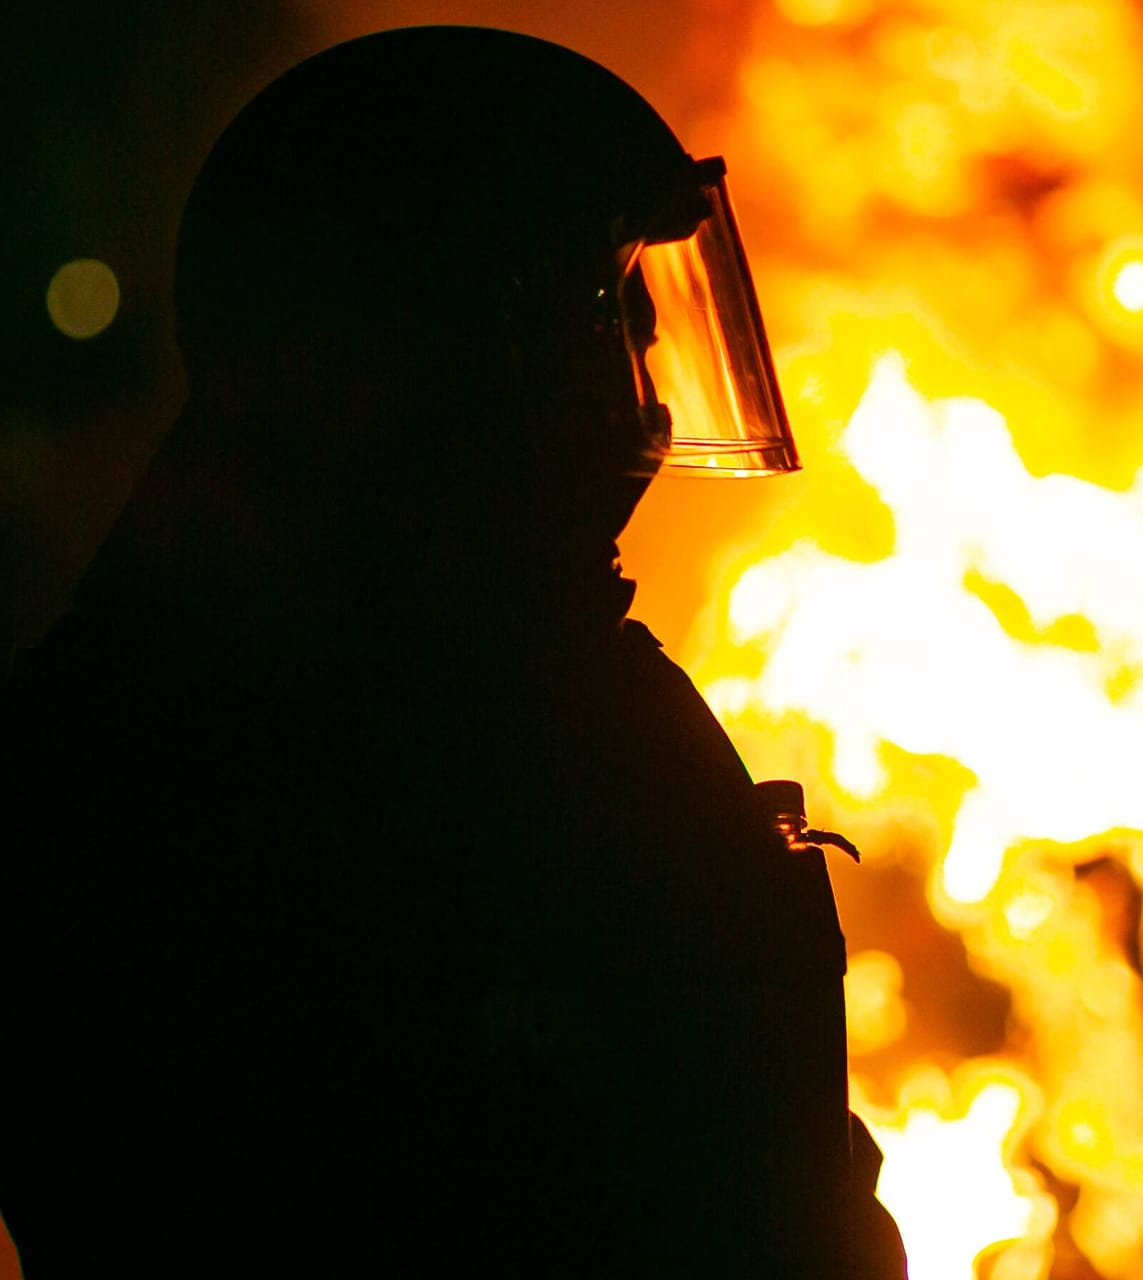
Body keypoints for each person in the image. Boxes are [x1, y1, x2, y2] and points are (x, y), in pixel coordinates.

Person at [0, 26, 903, 1278]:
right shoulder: (205, 792)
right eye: (616, 326)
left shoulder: (506, 674)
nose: (645, 392)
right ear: (484, 343)